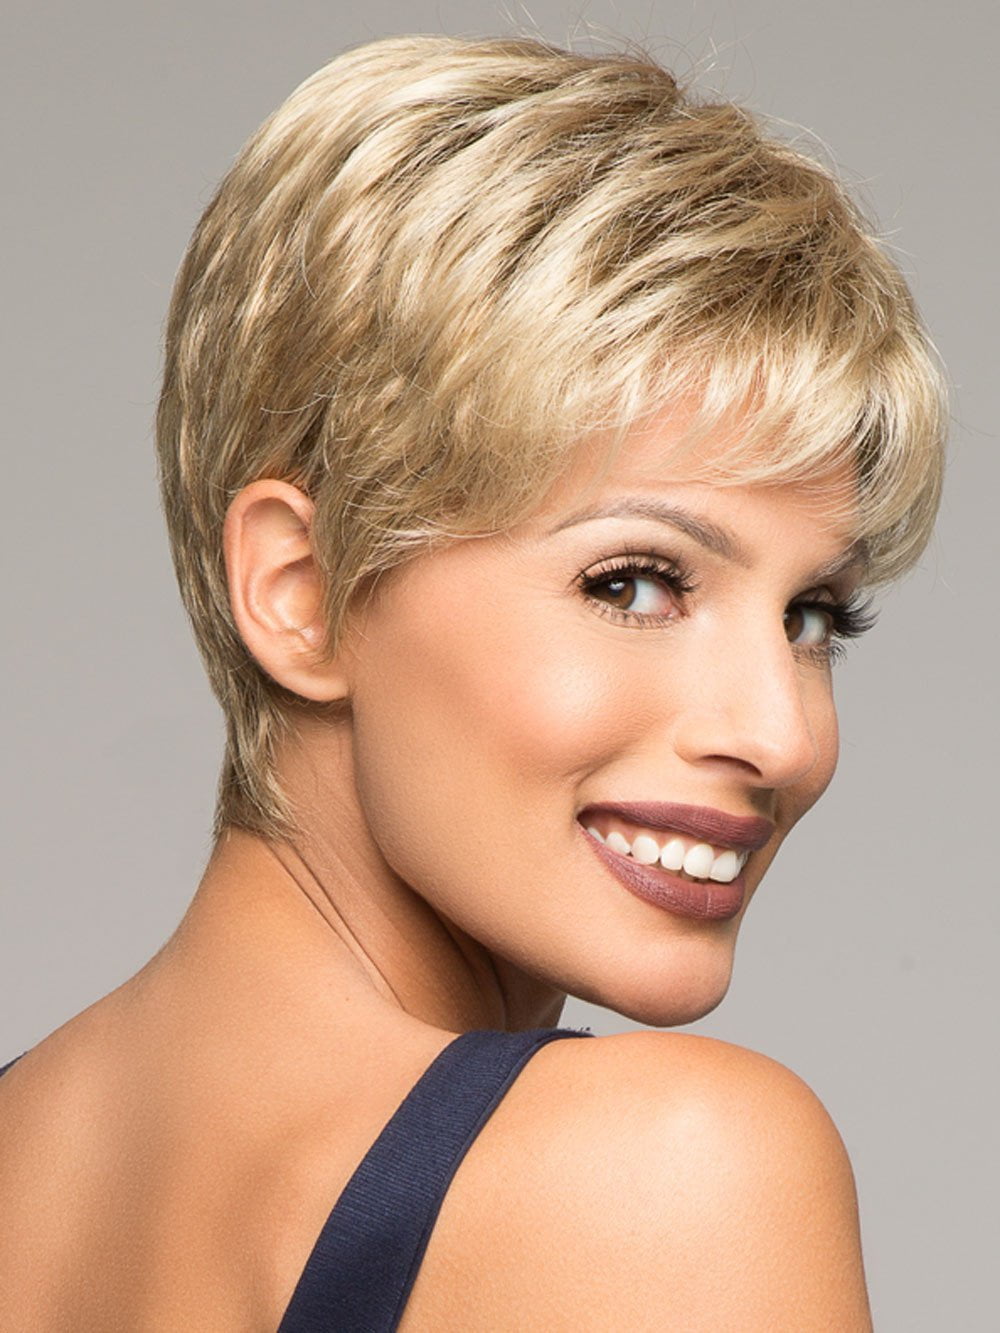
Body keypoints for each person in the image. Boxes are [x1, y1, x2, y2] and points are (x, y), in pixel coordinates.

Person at [0, 33, 944, 1330]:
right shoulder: (672, 1176)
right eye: (634, 584)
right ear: (302, 590)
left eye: (814, 616)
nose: (781, 733)